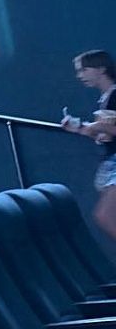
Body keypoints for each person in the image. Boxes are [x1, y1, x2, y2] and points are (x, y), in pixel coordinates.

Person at [62, 49, 116, 239]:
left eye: (84, 70)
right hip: (111, 163)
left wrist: (96, 126)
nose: (80, 75)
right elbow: (106, 134)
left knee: (105, 215)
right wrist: (80, 128)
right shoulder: (106, 98)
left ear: (101, 69)